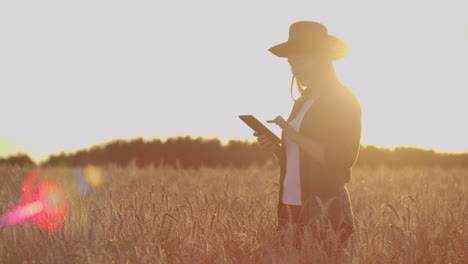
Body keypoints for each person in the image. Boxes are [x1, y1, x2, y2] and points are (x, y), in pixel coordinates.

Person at [254, 21, 362, 251]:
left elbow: (342, 157)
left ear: (321, 60)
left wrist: (294, 135)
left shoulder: (343, 100)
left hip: (325, 207)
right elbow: (296, 159)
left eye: (300, 61)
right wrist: (276, 147)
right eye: (291, 63)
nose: (295, 69)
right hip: (290, 207)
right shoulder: (302, 102)